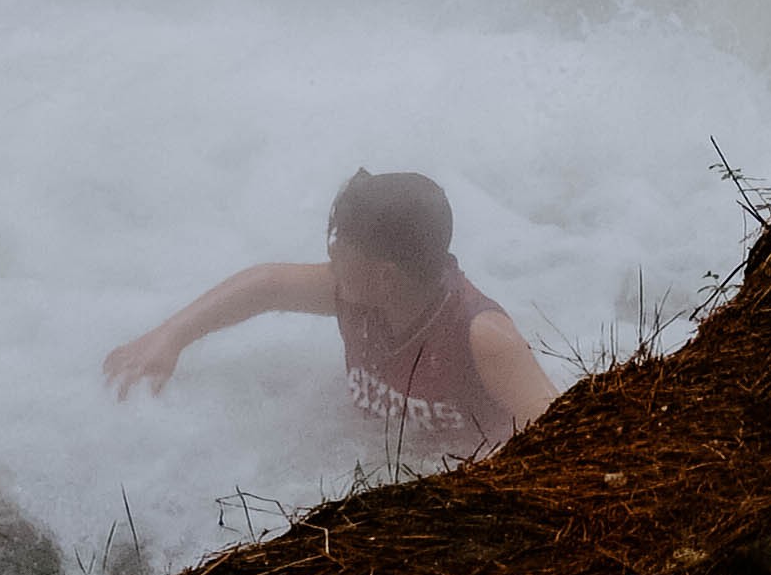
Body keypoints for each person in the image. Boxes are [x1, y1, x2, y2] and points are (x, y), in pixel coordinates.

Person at [104, 165, 556, 451]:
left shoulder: (481, 336)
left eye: (341, 246)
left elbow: (562, 434)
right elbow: (268, 284)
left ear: (383, 276)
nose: (331, 256)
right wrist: (169, 337)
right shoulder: (356, 294)